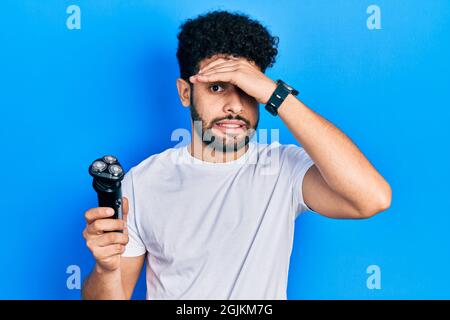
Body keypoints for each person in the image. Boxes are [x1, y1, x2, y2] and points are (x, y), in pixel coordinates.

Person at [82, 10, 391, 300]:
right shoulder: (143, 182)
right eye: (217, 88)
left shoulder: (284, 169)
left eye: (247, 90)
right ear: (185, 92)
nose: (235, 105)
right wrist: (105, 269)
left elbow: (372, 198)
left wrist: (276, 95)